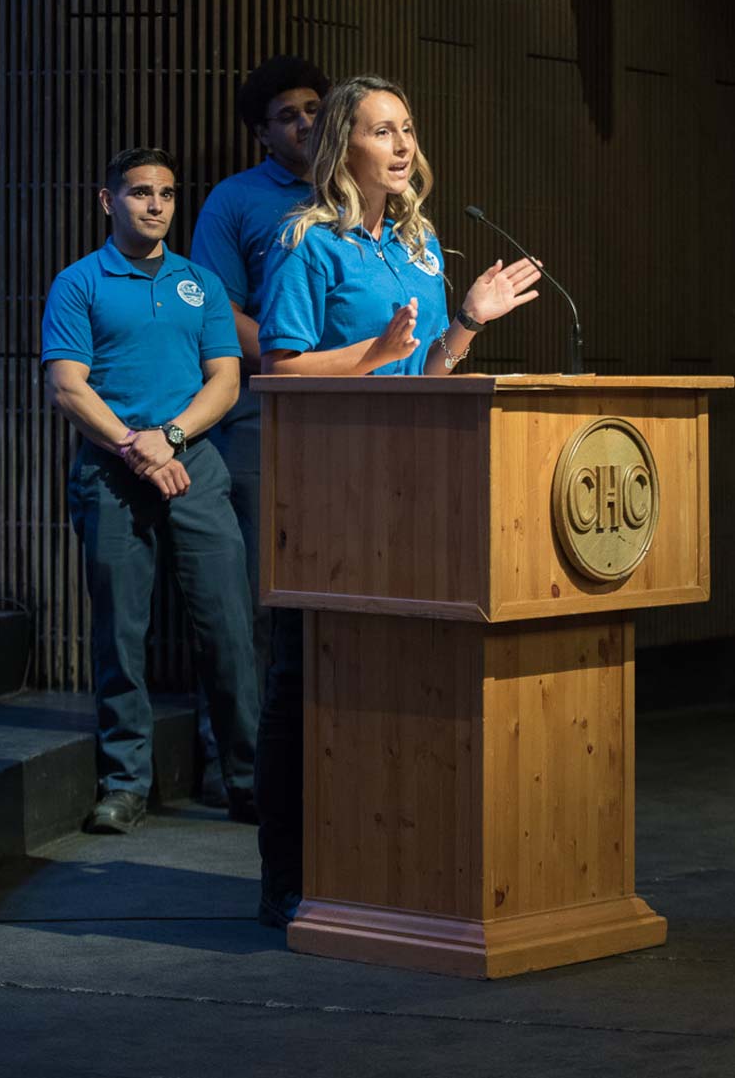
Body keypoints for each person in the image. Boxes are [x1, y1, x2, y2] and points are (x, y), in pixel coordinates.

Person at [253, 75, 542, 926]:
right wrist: (372, 354)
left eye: (408, 128)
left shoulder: (420, 242)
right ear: (342, 144)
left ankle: (377, 869)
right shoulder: (306, 241)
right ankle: (285, 878)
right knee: (301, 683)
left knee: (391, 680)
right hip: (325, 493)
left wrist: (468, 323)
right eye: (383, 130)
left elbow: (428, 375)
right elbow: (280, 368)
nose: (404, 144)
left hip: (408, 493)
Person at [41, 147, 259, 833]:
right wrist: (137, 448)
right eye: (140, 192)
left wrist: (169, 436)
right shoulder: (79, 282)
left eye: (165, 192)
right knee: (120, 634)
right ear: (109, 202)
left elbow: (226, 379)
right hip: (111, 470)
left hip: (193, 465)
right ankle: (124, 782)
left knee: (228, 628)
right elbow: (67, 387)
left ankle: (245, 777)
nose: (157, 204)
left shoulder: (200, 283)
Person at [190, 56, 330, 806]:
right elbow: (217, 310)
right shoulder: (236, 200)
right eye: (288, 115)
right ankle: (240, 770)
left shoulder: (352, 188)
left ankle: (328, 757)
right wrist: (296, 362)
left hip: (353, 420)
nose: (305, 123)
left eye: (315, 108)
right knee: (252, 597)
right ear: (261, 134)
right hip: (260, 415)